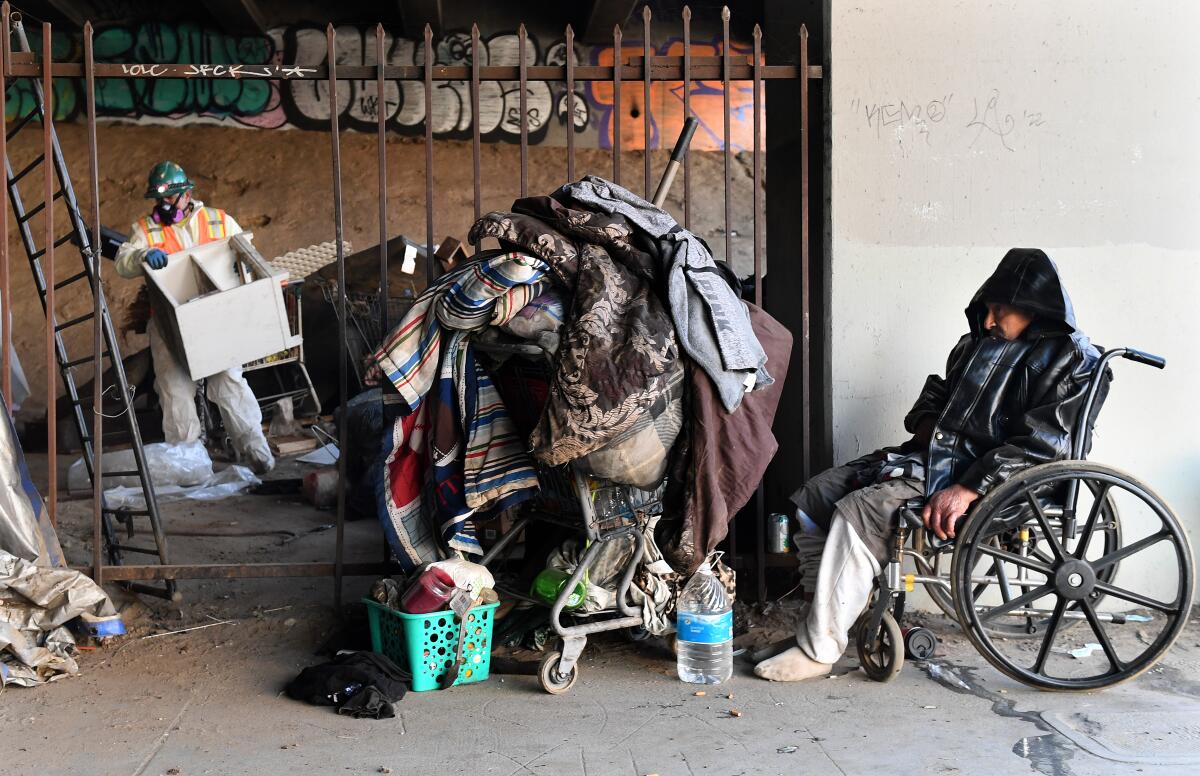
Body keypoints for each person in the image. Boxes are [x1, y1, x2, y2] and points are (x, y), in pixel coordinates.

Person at [755, 248, 1103, 681]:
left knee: (863, 510)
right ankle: (823, 623)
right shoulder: (975, 344)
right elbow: (938, 395)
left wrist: (968, 487)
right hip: (936, 458)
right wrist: (926, 423)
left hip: (994, 482)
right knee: (815, 495)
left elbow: (1044, 445)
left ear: (1035, 308)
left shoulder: (1072, 360)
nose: (991, 320)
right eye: (988, 308)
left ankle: (819, 649)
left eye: (1000, 310)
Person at [114, 161, 274, 474]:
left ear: (188, 193)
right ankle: (187, 463)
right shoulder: (146, 229)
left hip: (214, 318)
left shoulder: (218, 221)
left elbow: (246, 254)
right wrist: (142, 255)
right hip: (168, 321)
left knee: (229, 380)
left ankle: (254, 450)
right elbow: (123, 262)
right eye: (160, 199)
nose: (165, 204)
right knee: (175, 389)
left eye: (172, 197)